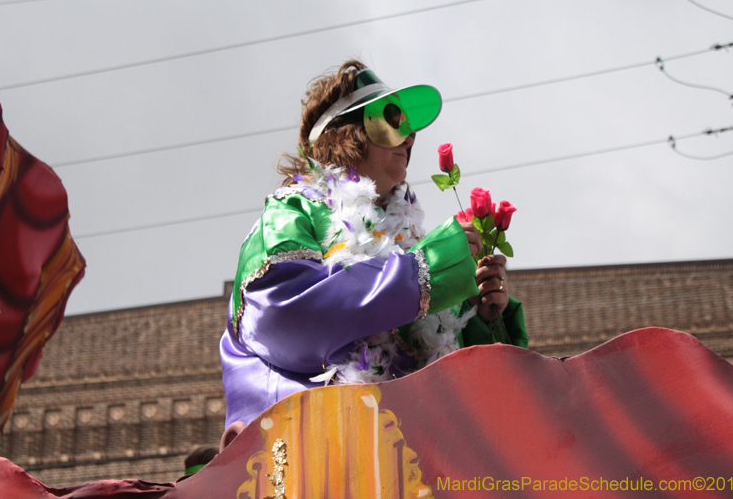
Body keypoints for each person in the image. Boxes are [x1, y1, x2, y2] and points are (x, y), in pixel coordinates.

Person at [219, 60, 527, 447]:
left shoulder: (407, 237)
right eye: (393, 118)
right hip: (310, 457)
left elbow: (434, 357)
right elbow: (284, 316)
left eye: (411, 128)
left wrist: (479, 320)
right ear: (346, 132)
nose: (410, 138)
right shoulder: (290, 212)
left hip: (408, 460)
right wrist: (424, 271)